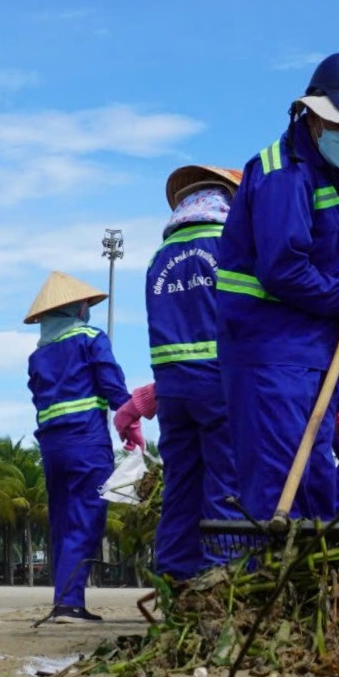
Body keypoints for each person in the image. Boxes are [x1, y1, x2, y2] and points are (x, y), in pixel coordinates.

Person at [217, 53, 339, 520]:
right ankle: (278, 584)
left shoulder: (316, 171)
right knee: (282, 480)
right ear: (315, 115)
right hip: (270, 353)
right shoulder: (281, 176)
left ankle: (320, 586)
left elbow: (335, 207)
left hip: (304, 352)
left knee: (315, 477)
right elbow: (282, 268)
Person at [116, 164, 242, 582]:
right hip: (220, 383)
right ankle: (219, 580)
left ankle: (172, 581)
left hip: (172, 391)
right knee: (225, 482)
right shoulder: (228, 243)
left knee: (181, 486)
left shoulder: (158, 258)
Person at [24, 271, 130, 621]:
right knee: (86, 519)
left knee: (63, 521)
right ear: (77, 307)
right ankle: (70, 603)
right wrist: (130, 416)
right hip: (86, 442)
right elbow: (111, 384)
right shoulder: (90, 338)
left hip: (52, 448)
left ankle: (64, 600)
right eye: (85, 304)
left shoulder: (38, 356)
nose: (88, 308)